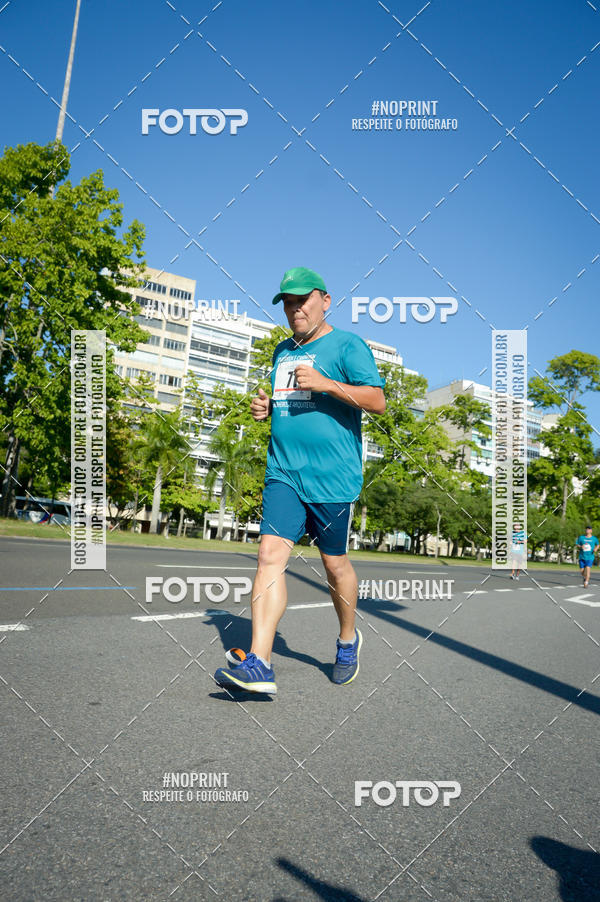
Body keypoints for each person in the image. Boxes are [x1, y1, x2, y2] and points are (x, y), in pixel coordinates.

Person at [214, 267, 386, 694]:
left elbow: (377, 400)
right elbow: (292, 402)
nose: (295, 309)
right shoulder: (282, 352)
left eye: (302, 300)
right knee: (269, 555)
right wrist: (266, 408)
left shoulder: (348, 345)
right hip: (284, 471)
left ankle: (347, 639)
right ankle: (260, 663)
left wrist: (328, 384)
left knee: (334, 564)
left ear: (324, 300)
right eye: (288, 303)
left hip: (332, 478)